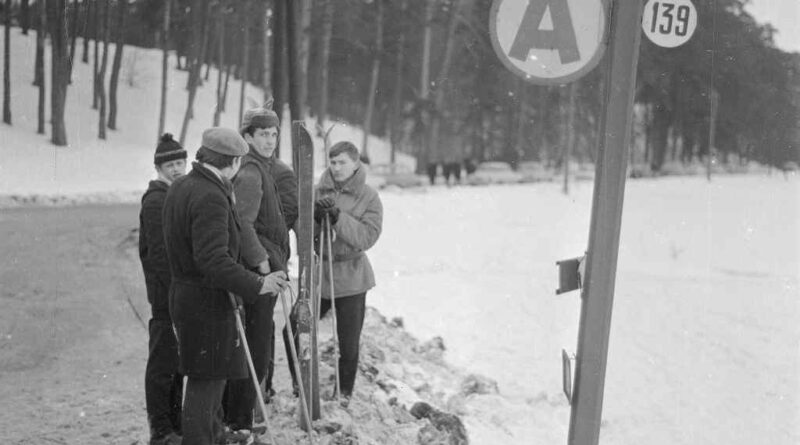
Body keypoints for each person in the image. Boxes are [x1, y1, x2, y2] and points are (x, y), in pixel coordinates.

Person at [162, 127, 289, 445]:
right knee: (207, 383)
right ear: (232, 162)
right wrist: (258, 283)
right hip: (205, 301)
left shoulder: (182, 186)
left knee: (208, 378)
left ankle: (214, 436)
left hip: (188, 295)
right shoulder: (210, 197)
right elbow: (214, 261)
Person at [285, 141, 383, 406]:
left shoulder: (369, 196)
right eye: (332, 162)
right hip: (320, 275)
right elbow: (300, 228)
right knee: (294, 327)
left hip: (352, 276)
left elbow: (367, 236)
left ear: (355, 164)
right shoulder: (316, 191)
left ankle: (344, 394)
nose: (336, 167)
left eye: (342, 162)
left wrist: (339, 217)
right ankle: (300, 384)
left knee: (348, 342)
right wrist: (314, 218)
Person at [222, 107, 291, 437]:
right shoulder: (250, 172)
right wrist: (261, 260)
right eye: (262, 134)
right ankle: (241, 419)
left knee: (257, 345)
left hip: (263, 269)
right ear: (247, 137)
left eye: (274, 134)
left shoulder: (262, 168)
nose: (270, 140)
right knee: (257, 346)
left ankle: (241, 415)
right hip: (258, 272)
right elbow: (244, 223)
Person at [139, 133, 187, 445]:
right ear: (159, 168)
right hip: (165, 294)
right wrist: (177, 292)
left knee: (176, 361)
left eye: (181, 162)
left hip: (177, 293)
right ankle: (160, 429)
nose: (177, 169)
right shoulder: (157, 200)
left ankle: (175, 425)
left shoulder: (175, 195)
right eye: (170, 164)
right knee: (162, 362)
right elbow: (160, 255)